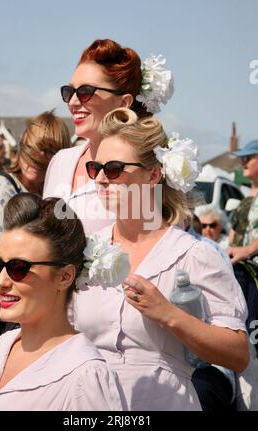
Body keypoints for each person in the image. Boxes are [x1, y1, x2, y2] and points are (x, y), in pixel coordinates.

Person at [71, 108, 249, 411]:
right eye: (95, 168)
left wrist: (169, 314)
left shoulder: (195, 254)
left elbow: (238, 354)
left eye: (113, 168)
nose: (100, 179)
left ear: (153, 174)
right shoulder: (86, 250)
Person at [0, 193, 123, 411]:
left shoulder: (85, 377)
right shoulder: (3, 345)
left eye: (18, 268)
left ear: (64, 277)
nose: (0, 281)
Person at [0, 111, 71, 365]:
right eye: (33, 150)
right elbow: (19, 260)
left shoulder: (37, 193)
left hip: (14, 325)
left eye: (49, 153)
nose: (37, 160)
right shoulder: (1, 190)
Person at [43, 38, 174, 232]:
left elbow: (158, 248)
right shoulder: (60, 161)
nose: (72, 102)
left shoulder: (143, 170)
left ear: (124, 102)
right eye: (69, 92)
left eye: (86, 91)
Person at [227, 140, 258, 351]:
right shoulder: (246, 200)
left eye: (248, 158)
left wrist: (246, 251)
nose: (242, 162)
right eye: (242, 158)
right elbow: (232, 237)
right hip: (242, 275)